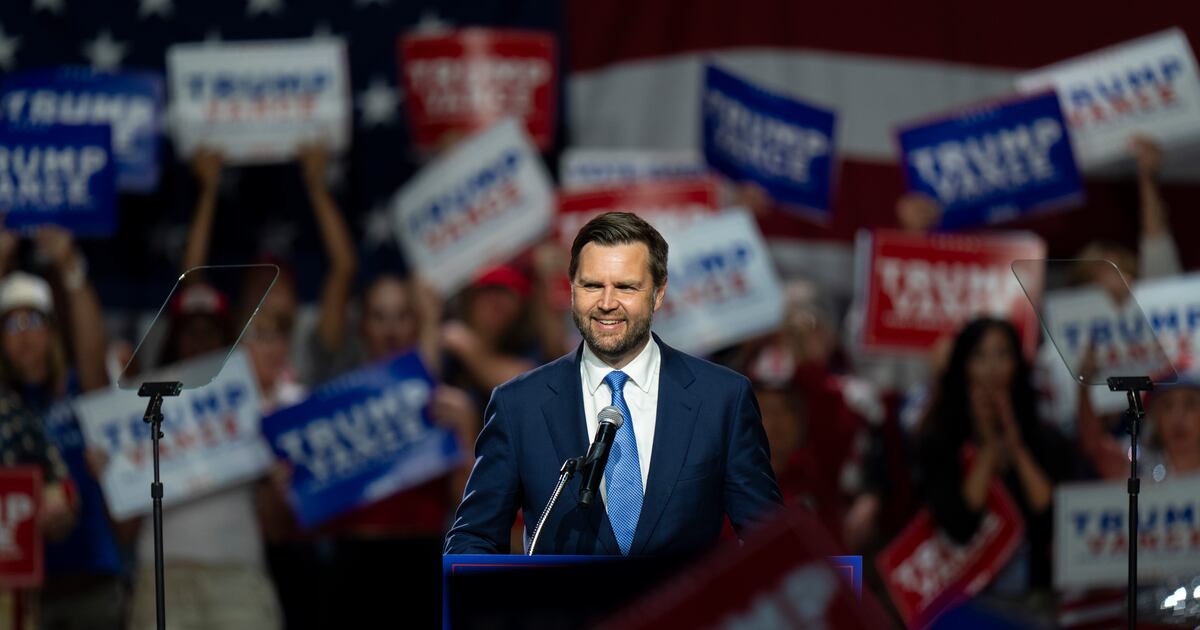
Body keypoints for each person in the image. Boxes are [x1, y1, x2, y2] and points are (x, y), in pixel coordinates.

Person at [445, 211, 782, 556]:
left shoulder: (721, 399)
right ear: (573, 289)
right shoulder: (519, 405)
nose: (607, 303)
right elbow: (473, 541)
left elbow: (770, 540)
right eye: (592, 285)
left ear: (659, 292)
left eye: (625, 286)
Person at [914, 317, 1076, 608]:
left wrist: (1016, 450)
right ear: (963, 364)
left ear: (1018, 364)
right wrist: (987, 450)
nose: (992, 368)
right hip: (963, 601)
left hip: (1035, 598)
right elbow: (959, 525)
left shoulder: (1045, 438)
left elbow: (1053, 519)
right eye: (980, 355)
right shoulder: (940, 441)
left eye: (1003, 354)